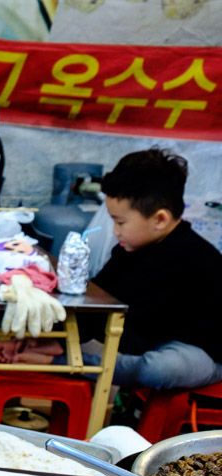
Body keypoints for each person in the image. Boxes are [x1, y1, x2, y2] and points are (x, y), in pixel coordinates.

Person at [86, 149, 222, 390]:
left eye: (121, 222)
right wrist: (58, 338)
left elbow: (139, 330)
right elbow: (99, 297)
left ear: (160, 219)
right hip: (155, 337)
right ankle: (63, 359)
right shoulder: (130, 249)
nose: (115, 231)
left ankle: (65, 363)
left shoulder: (191, 258)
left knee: (162, 368)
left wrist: (60, 350)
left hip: (204, 352)